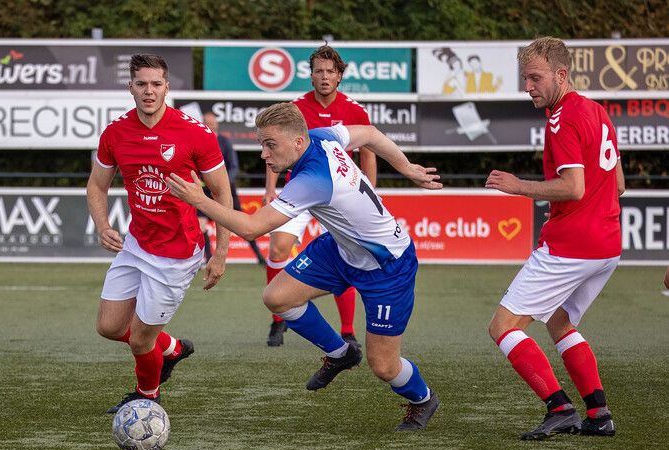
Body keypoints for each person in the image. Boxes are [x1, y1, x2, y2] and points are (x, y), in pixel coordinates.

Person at [166, 102, 444, 430]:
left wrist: (199, 200)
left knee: (384, 367)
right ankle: (341, 353)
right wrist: (406, 167)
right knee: (277, 297)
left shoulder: (313, 178)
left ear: (298, 142)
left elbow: (252, 228)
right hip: (342, 249)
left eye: (270, 145)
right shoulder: (322, 136)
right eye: (261, 145)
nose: (264, 156)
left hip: (387, 266)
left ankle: (423, 398)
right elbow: (369, 134)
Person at [485, 37, 625, 440]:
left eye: (535, 77)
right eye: (524, 77)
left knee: (503, 326)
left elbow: (574, 187)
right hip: (607, 245)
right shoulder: (597, 111)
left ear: (560, 75)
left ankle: (560, 408)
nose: (527, 86)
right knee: (560, 321)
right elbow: (616, 183)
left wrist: (517, 185)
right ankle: (598, 414)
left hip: (571, 245)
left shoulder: (562, 118)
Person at [87, 53, 232, 413]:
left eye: (155, 84)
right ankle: (172, 348)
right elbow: (96, 185)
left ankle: (147, 396)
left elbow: (222, 194)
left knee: (139, 341)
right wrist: (103, 226)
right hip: (136, 244)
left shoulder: (195, 134)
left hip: (177, 256)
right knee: (108, 326)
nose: (148, 91)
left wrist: (220, 254)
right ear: (130, 87)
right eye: (141, 84)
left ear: (167, 86)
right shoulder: (116, 132)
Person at [264, 44, 376, 348]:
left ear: (339, 76)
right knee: (278, 249)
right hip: (300, 188)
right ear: (311, 75)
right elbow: (276, 146)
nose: (324, 76)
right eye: (319, 71)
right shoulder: (294, 109)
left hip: (340, 196)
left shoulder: (355, 109)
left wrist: (371, 193)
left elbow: (368, 153)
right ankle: (278, 322)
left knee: (346, 255)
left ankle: (348, 330)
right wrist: (270, 187)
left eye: (330, 71)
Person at [201, 111, 265, 266]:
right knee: (200, 224)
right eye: (206, 122)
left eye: (212, 123)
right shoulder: (199, 141)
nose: (210, 125)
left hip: (226, 190)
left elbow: (234, 166)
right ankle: (209, 258)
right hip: (205, 192)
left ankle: (260, 258)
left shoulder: (224, 142)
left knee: (241, 224)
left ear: (217, 124)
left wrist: (223, 184)